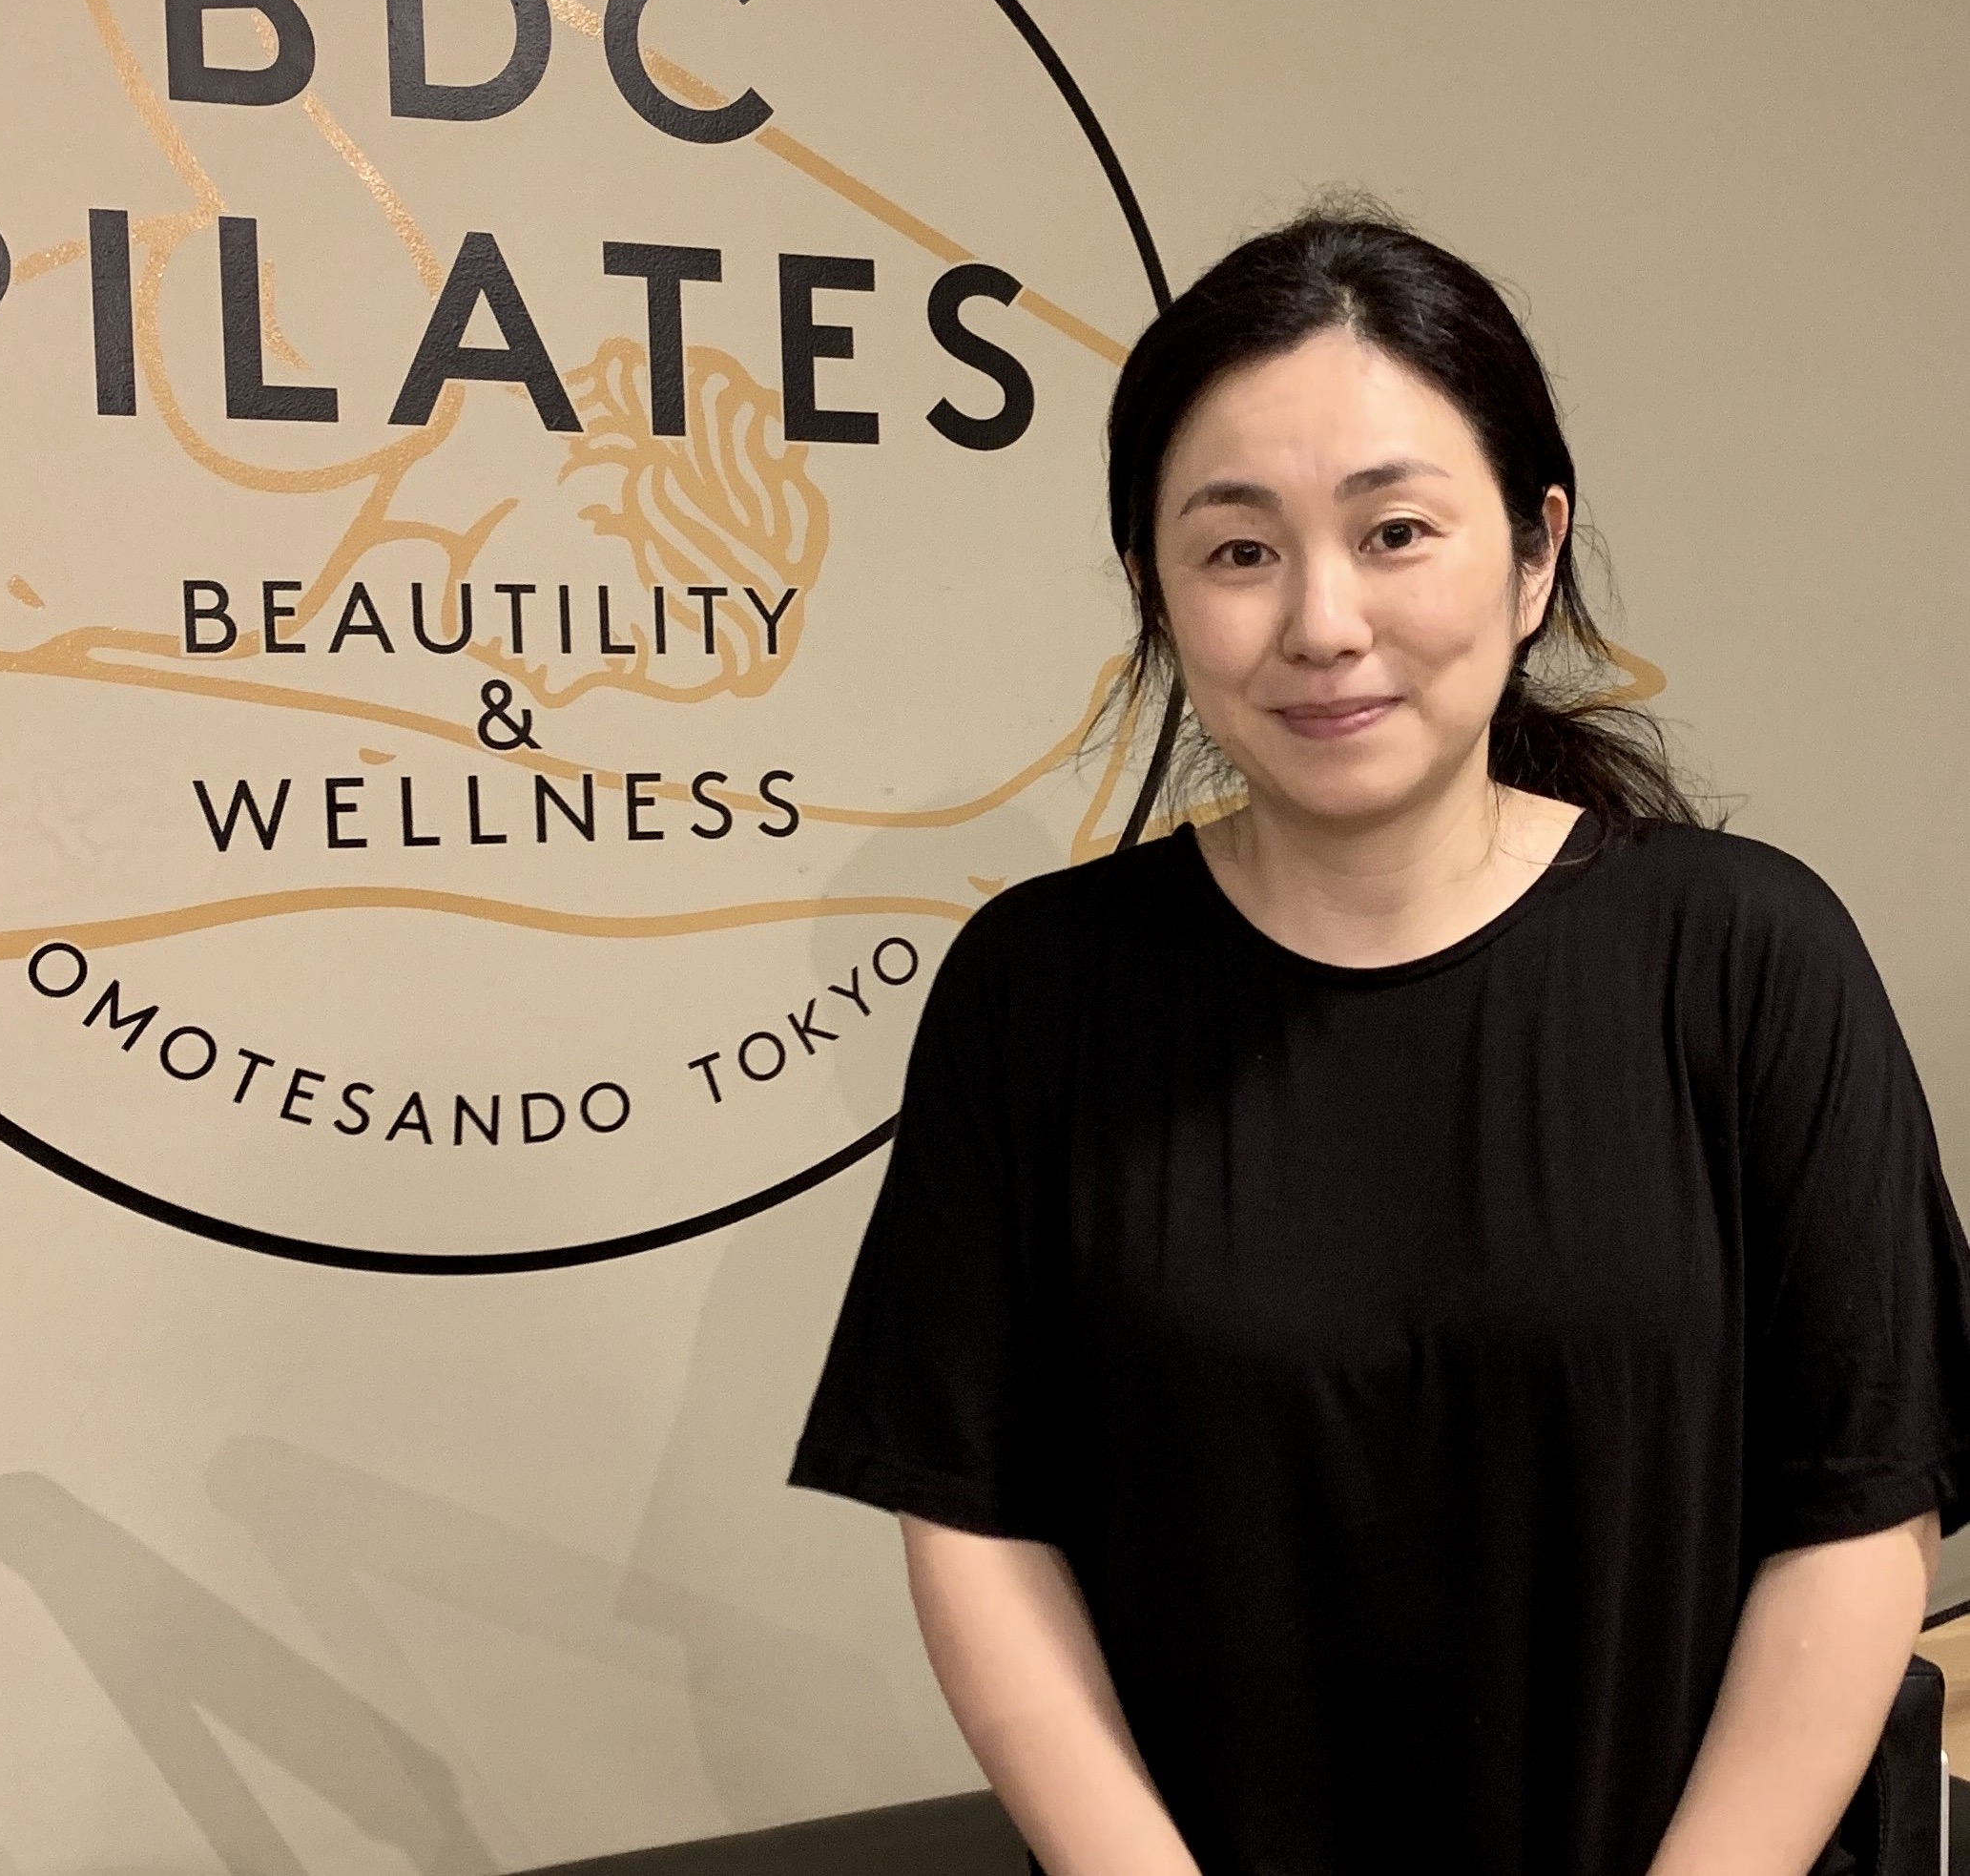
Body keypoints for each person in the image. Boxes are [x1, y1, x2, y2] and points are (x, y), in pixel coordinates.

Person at [787, 208, 1970, 1876]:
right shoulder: (1037, 990)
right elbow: (978, 1514)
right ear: (1151, 585)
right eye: (1237, 549)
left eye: (1394, 531)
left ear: (1535, 550)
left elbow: (1858, 1502)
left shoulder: (1746, 956)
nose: (1321, 621)